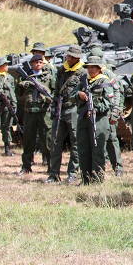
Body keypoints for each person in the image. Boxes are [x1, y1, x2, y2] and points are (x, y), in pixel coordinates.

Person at [47, 45, 84, 184]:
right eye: (67, 56)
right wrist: (54, 106)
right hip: (60, 109)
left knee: (75, 142)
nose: (67, 58)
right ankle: (53, 173)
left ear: (76, 58)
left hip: (74, 109)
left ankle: (73, 173)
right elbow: (57, 90)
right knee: (55, 141)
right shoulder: (61, 70)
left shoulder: (82, 73)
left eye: (70, 56)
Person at [76, 56, 114, 184]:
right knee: (83, 149)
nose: (90, 70)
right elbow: (70, 97)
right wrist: (78, 94)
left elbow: (108, 102)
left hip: (99, 120)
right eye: (89, 67)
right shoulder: (83, 81)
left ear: (99, 68)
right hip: (83, 118)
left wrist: (96, 109)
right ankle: (85, 179)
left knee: (97, 150)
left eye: (93, 67)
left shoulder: (104, 81)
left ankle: (97, 179)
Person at [16, 54, 55, 175]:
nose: (38, 64)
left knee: (47, 140)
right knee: (28, 141)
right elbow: (17, 94)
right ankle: (26, 166)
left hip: (44, 113)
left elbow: (55, 93)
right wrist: (22, 85)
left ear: (43, 64)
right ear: (31, 64)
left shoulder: (49, 77)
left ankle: (51, 166)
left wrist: (49, 98)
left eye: (40, 62)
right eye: (35, 62)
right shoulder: (25, 77)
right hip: (30, 112)